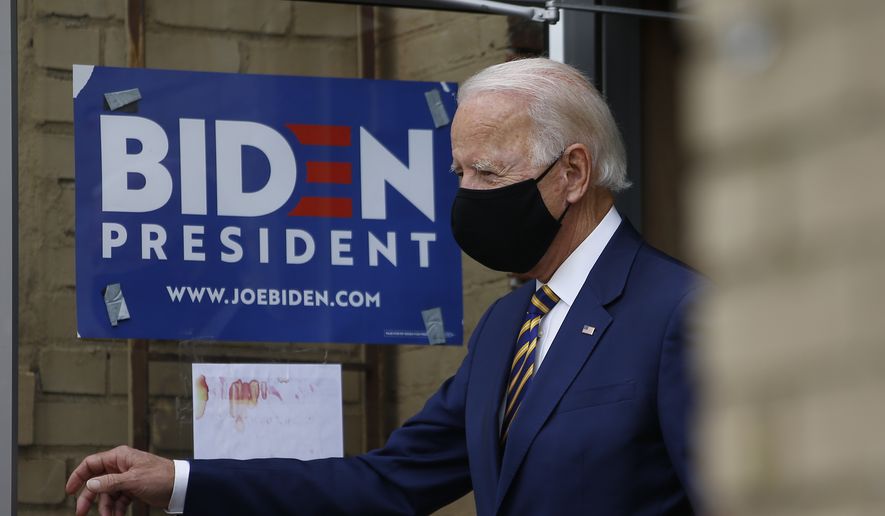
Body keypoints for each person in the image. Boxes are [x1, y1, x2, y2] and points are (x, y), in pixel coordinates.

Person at [66, 57, 701, 516]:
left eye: (487, 171)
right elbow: (387, 482)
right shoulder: (509, 325)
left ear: (573, 172)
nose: (466, 197)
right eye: (459, 172)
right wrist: (177, 479)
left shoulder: (681, 314)